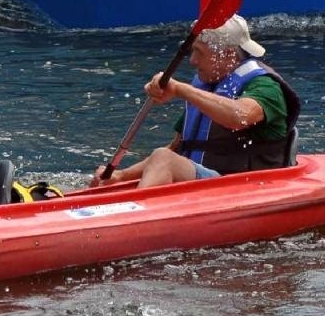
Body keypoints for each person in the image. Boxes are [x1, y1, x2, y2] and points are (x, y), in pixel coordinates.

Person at [91, 15, 301, 188]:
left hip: (246, 188)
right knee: (163, 155)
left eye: (199, 52)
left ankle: (133, 221)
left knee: (162, 158)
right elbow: (178, 147)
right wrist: (121, 175)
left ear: (226, 55)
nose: (192, 61)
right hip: (208, 185)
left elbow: (240, 116)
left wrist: (181, 89)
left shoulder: (266, 87)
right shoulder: (206, 87)